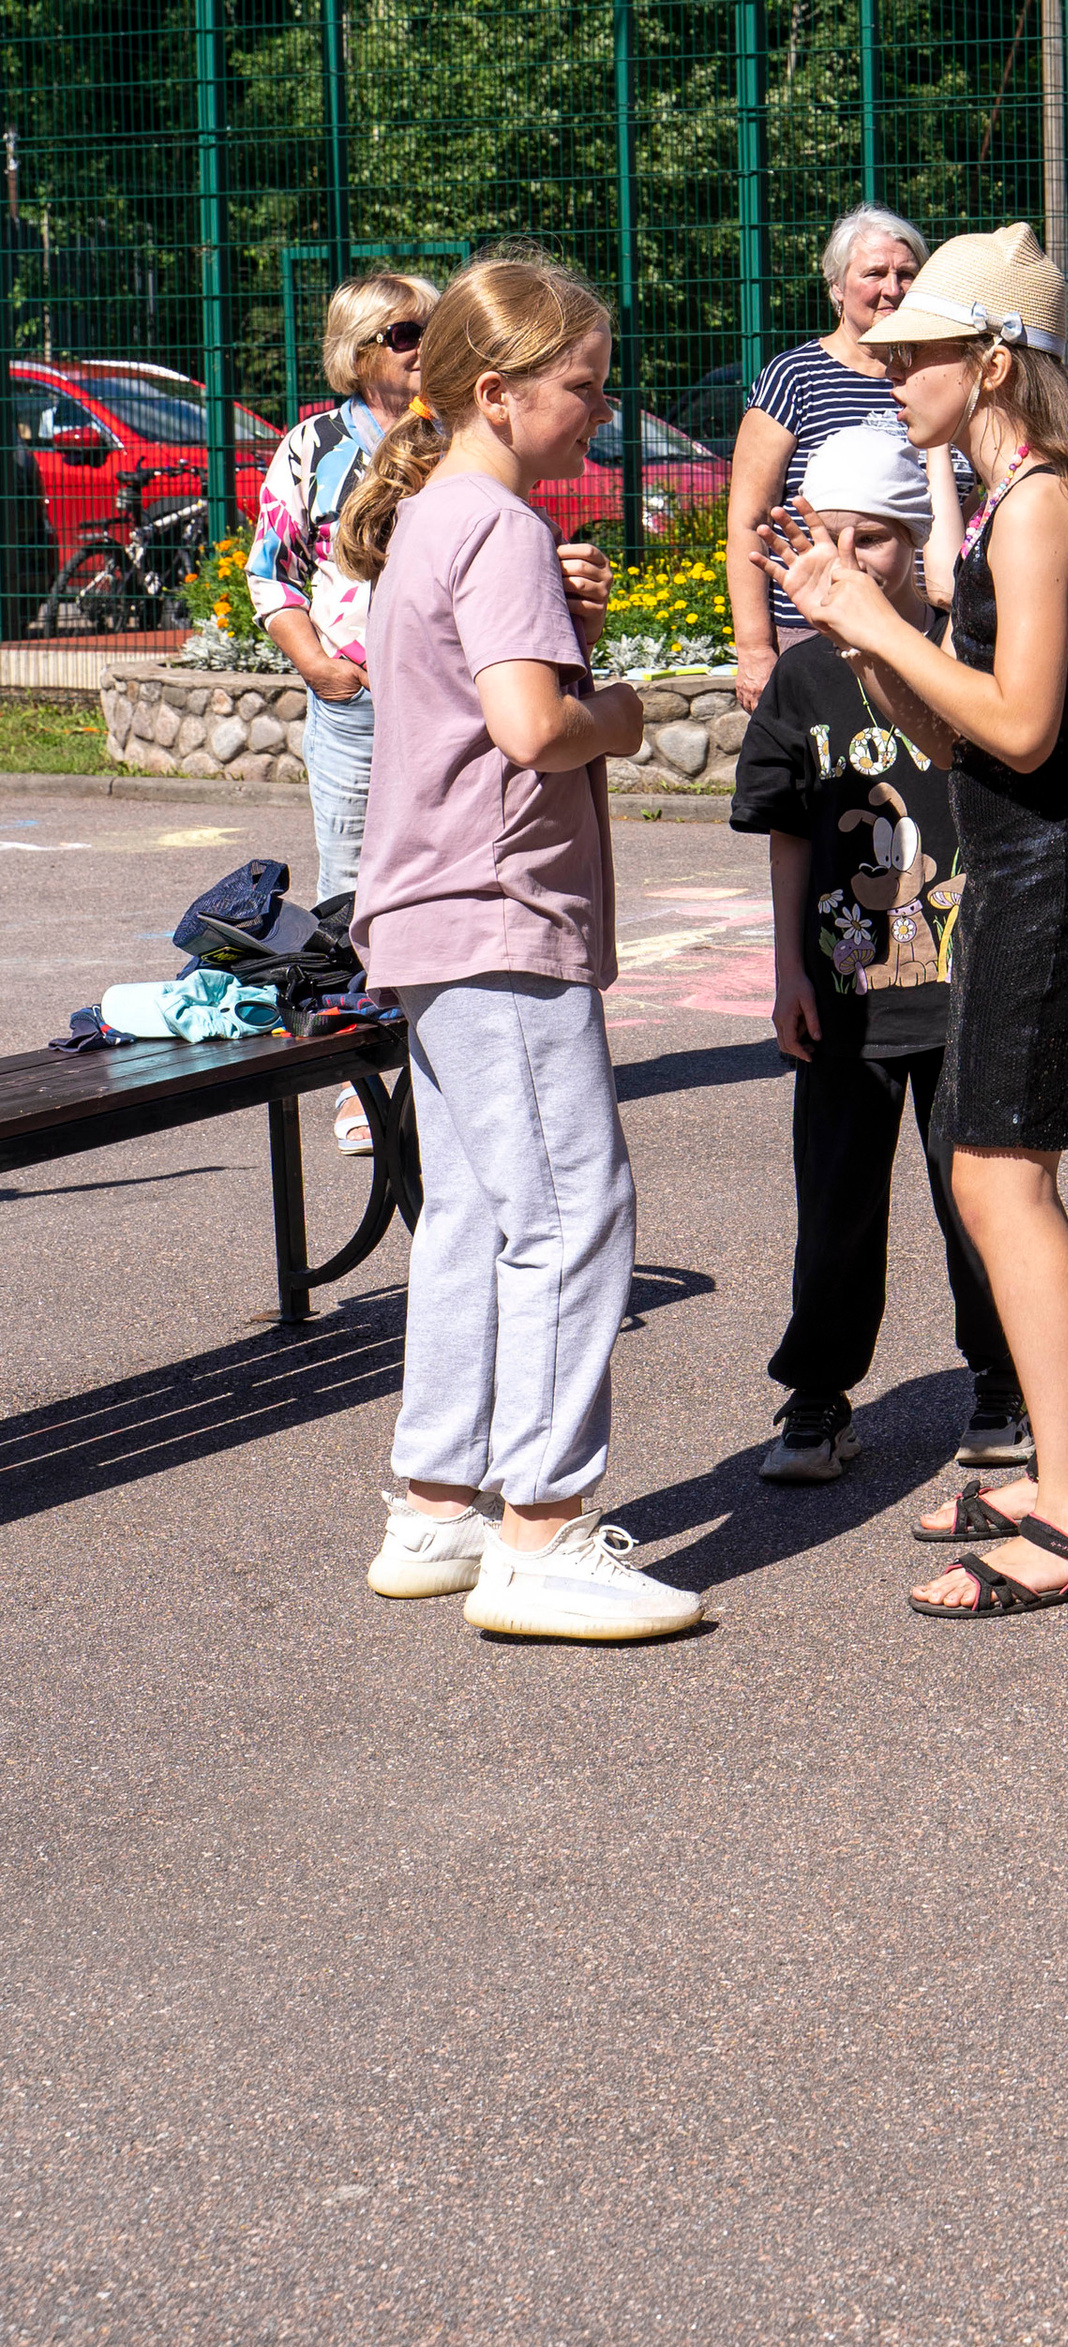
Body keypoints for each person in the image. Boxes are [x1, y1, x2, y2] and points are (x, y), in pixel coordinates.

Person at [762, 225, 1068, 1620]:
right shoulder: (1009, 503)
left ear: (993, 361)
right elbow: (951, 741)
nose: (888, 373)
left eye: (916, 354)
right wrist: (855, 619)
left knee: (1001, 1179)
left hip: (1055, 876)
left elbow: (1021, 725)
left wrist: (879, 626)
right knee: (991, 1171)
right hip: (1025, 866)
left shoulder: (1044, 502)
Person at [339, 255, 701, 1645]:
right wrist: (620, 712)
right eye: (583, 387)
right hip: (497, 910)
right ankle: (543, 1536)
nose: (600, 412)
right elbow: (534, 729)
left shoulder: (443, 514)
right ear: (496, 393)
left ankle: (439, 1509)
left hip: (436, 910)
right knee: (569, 1212)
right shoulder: (491, 523)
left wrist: (569, 640)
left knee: (479, 1218)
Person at [729, 416, 1026, 1487]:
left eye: (877, 538)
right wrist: (789, 974)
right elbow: (788, 833)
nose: (852, 559)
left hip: (962, 983)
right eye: (834, 536)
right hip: (845, 995)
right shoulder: (804, 678)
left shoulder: (966, 656)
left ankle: (1002, 1381)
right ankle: (817, 1395)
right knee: (836, 1207)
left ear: (918, 541)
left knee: (978, 1201)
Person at [245, 265, 444, 1155]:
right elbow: (271, 573)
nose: (424, 346)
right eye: (406, 334)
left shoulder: (461, 433)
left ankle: (445, 1069)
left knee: (449, 879)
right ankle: (356, 1080)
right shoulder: (315, 445)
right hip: (359, 704)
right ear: (360, 352)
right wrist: (322, 669)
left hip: (455, 696)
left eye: (433, 328)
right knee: (351, 894)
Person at [724, 205, 927, 712]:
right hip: (817, 633)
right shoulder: (795, 378)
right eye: (874, 273)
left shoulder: (936, 378)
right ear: (837, 286)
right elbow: (749, 521)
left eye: (906, 274)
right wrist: (755, 649)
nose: (893, 289)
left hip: (925, 634)